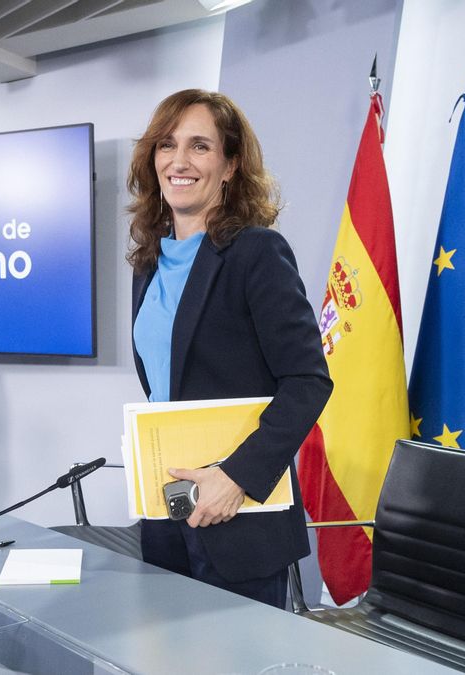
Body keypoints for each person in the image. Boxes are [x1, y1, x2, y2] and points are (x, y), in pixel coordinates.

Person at [127, 89, 332, 607]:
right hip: (170, 505)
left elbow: (308, 381)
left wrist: (235, 477)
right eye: (166, 145)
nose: (179, 161)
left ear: (230, 165)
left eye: (200, 146)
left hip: (238, 512)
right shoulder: (150, 263)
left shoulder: (255, 252)